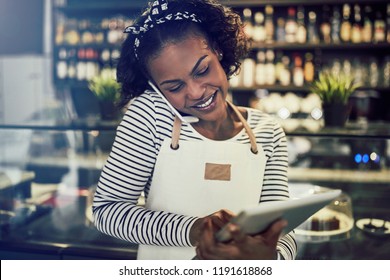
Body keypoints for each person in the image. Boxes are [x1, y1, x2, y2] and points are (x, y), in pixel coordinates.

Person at [93, 0, 297, 260]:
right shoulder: (151, 116)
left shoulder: (267, 132)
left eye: (202, 70)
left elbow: (283, 231)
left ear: (218, 50)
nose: (196, 92)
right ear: (156, 88)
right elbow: (108, 211)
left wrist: (268, 258)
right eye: (174, 87)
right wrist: (194, 230)